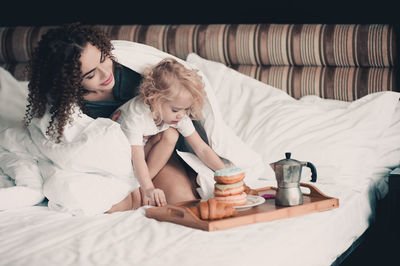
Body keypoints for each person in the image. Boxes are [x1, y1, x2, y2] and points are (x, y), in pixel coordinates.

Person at [23, 23, 199, 213]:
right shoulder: (70, 106)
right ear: (71, 81)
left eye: (104, 58)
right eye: (91, 75)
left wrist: (144, 183)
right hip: (114, 168)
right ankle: (133, 194)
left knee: (184, 206)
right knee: (86, 200)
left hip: (153, 154)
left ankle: (143, 189)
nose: (106, 73)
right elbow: (72, 150)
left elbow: (181, 95)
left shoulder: (133, 74)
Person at [116, 58, 226, 206]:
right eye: (175, 110)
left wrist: (225, 173)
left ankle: (143, 183)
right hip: (123, 156)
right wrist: (149, 188)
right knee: (170, 135)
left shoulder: (178, 115)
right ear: (154, 99)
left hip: (144, 154)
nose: (181, 115)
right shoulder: (135, 115)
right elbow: (137, 157)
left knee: (171, 134)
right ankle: (142, 186)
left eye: (185, 109)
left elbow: (201, 148)